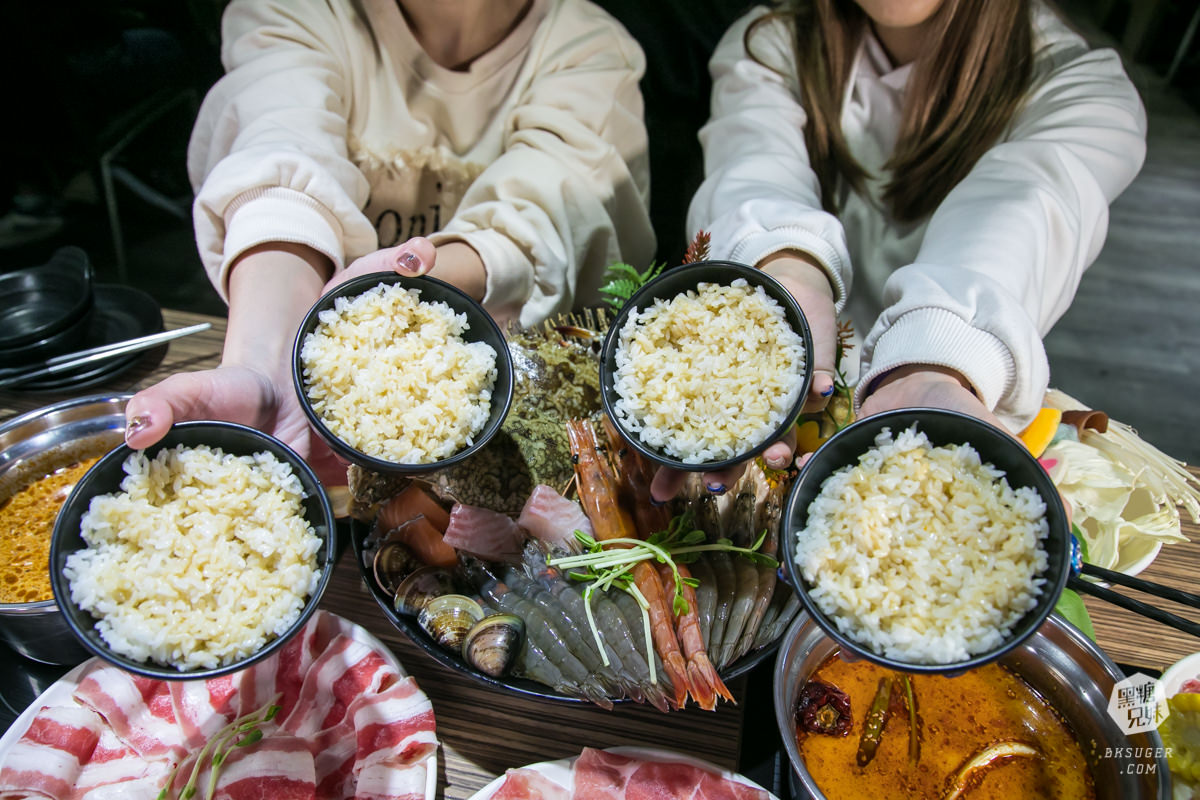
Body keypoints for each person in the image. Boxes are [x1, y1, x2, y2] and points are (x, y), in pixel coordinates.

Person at [123, 0, 655, 482]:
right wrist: (262, 367)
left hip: (510, 408)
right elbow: (281, 155)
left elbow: (552, 202)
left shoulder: (587, 45)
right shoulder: (302, 11)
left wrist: (435, 278)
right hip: (345, 409)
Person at [651, 0, 1147, 501]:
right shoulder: (769, 43)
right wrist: (783, 286)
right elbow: (756, 169)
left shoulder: (1081, 89)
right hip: (794, 381)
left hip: (957, 397)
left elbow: (1018, 211)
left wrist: (935, 363)